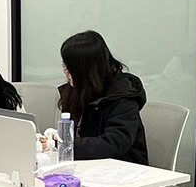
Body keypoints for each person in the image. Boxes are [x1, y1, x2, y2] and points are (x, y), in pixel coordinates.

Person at [58, 30, 148, 165]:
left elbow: (112, 145)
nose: (65, 72)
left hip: (121, 169)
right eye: (64, 66)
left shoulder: (123, 98)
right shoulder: (77, 90)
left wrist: (66, 145)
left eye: (69, 68)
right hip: (85, 166)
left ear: (84, 70)